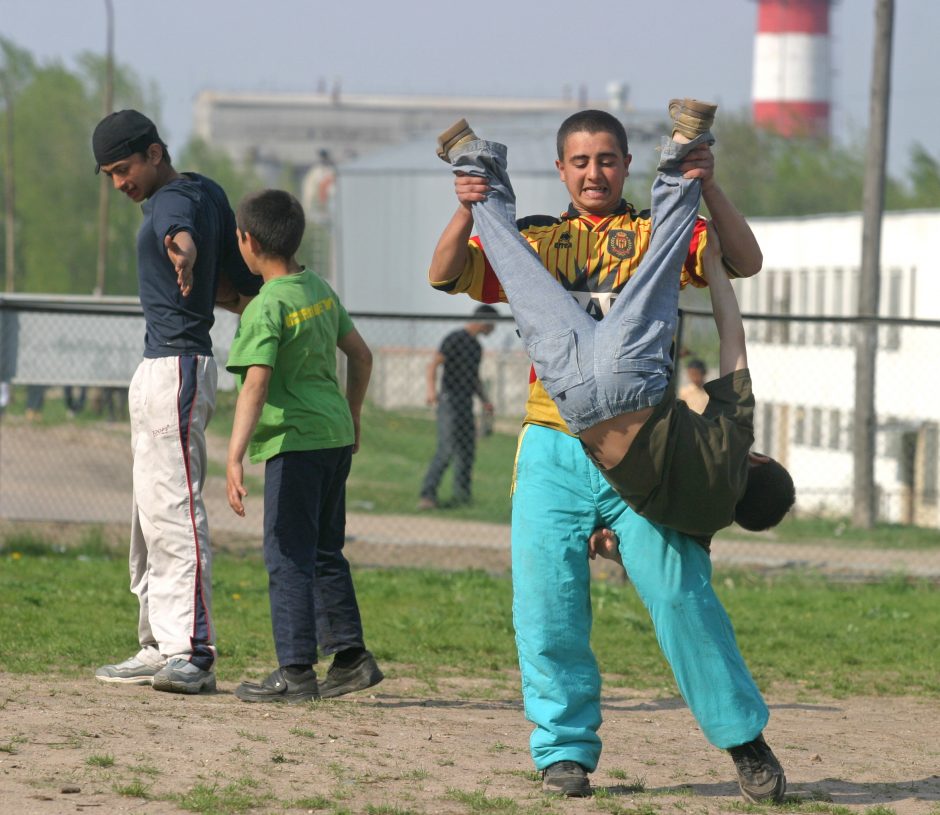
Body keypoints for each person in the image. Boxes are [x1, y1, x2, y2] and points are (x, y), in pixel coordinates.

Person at [428, 104, 786, 803]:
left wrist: (704, 183)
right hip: (552, 443)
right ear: (561, 169)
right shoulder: (534, 235)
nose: (595, 172)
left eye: (608, 159)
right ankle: (563, 751)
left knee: (681, 590)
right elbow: (444, 274)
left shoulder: (655, 232)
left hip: (642, 445)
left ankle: (745, 739)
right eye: (581, 161)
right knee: (546, 600)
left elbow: (744, 260)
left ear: (626, 165)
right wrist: (467, 207)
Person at [92, 109, 260, 694]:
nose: (119, 183)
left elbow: (176, 229)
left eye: (124, 168)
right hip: (165, 366)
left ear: (155, 153)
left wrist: (181, 251)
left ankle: (192, 652)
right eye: (109, 174)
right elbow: (242, 285)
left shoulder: (172, 201)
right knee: (149, 512)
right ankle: (159, 645)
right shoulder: (208, 191)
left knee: (175, 510)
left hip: (177, 365)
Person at [225, 189, 383, 703]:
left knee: (287, 554)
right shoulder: (316, 287)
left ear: (247, 241)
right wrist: (353, 414)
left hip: (295, 444)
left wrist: (232, 456)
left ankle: (295, 672)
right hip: (334, 436)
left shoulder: (267, 306)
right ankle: (351, 660)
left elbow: (256, 383)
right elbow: (361, 357)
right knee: (322, 550)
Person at [418, 304, 497, 509]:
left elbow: (474, 379)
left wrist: (485, 400)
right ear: (483, 322)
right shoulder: (455, 339)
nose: (494, 329)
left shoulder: (476, 347)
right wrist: (430, 390)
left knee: (467, 451)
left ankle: (462, 497)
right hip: (449, 400)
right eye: (493, 325)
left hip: (465, 402)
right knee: (447, 448)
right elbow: (434, 364)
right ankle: (427, 495)